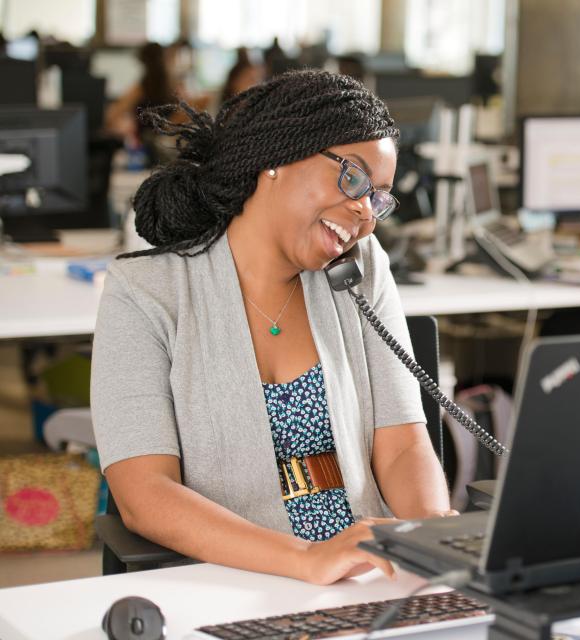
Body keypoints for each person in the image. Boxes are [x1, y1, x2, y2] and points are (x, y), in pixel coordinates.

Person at [91, 71, 455, 586]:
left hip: (365, 574)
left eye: (377, 198)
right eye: (352, 178)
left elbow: (400, 441)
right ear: (276, 160)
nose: (363, 214)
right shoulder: (146, 290)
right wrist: (306, 558)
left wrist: (429, 536)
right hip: (234, 577)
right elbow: (144, 494)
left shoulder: (362, 267)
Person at [105, 42, 178, 140]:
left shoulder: (141, 88)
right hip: (169, 143)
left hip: (146, 145)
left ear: (144, 62)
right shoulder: (173, 86)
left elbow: (111, 116)